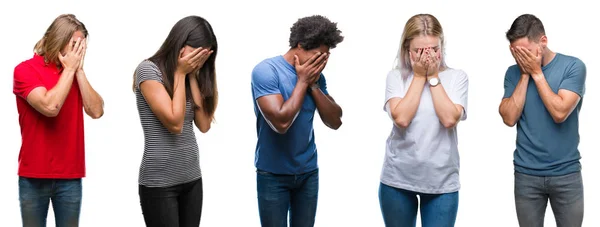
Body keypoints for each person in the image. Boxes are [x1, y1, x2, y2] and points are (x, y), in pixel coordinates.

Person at [250, 15, 344, 227]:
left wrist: (313, 85)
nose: (322, 62)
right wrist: (302, 81)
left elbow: (335, 121)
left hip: (308, 173)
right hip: (272, 174)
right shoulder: (266, 71)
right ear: (300, 46)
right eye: (318, 55)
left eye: (326, 57)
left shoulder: (316, 78)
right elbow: (281, 123)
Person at [13, 14, 104, 227]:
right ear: (57, 40)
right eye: (74, 45)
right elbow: (50, 106)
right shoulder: (25, 70)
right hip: (33, 176)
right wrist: (70, 70)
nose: (78, 51)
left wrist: (78, 71)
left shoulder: (73, 73)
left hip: (70, 176)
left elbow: (97, 110)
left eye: (82, 46)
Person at [379, 14, 469, 227]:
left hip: (442, 182)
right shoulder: (396, 77)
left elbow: (449, 119)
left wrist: (433, 77)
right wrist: (419, 77)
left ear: (442, 45)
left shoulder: (457, 77)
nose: (428, 56)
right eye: (419, 51)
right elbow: (401, 118)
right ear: (407, 50)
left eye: (434, 49)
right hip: (398, 179)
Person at [499, 14, 586, 227]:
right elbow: (509, 118)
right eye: (515, 54)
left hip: (566, 174)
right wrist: (525, 74)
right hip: (526, 175)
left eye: (525, 52)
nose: (520, 59)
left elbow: (560, 112)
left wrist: (537, 73)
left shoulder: (573, 67)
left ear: (543, 42)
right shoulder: (513, 73)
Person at [132, 15, 218, 227]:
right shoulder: (148, 70)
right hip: (160, 184)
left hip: (191, 178)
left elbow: (204, 125)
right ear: (180, 43)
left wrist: (191, 76)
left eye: (204, 56)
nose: (199, 60)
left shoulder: (191, 75)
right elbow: (175, 123)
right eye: (196, 52)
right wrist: (180, 74)